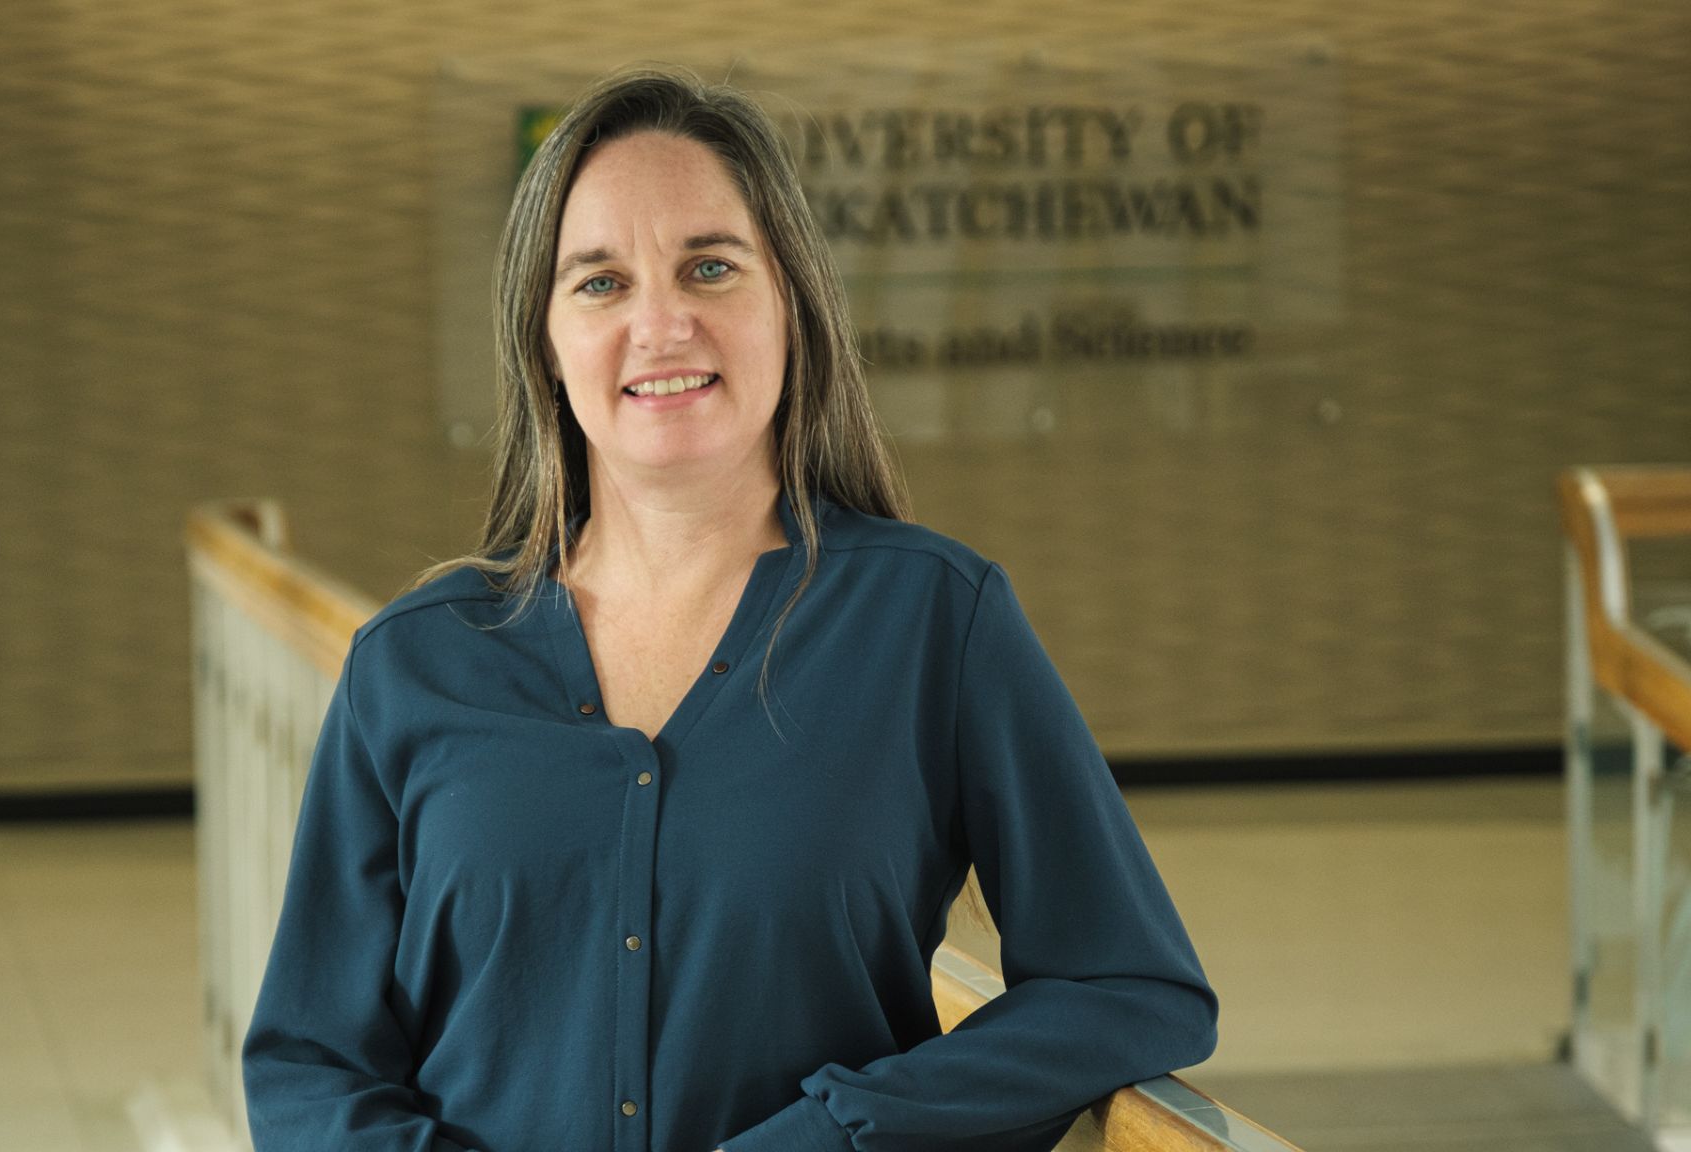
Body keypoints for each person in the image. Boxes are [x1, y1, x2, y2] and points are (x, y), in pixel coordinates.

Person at [241, 64, 1217, 1152]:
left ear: (789, 306)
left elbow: (1126, 986)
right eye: (599, 282)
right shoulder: (413, 665)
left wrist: (837, 1134)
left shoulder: (932, 623)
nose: (661, 324)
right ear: (543, 346)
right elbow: (307, 1061)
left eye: (709, 267)